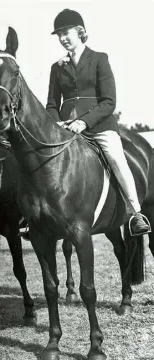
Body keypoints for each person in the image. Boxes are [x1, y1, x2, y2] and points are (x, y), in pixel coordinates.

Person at [46, 8, 149, 235]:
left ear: (80, 31)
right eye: (59, 34)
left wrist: (84, 122)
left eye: (66, 32)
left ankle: (136, 213)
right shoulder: (57, 67)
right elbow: (51, 104)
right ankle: (36, 217)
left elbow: (109, 102)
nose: (63, 38)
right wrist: (57, 124)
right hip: (66, 129)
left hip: (99, 126)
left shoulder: (99, 59)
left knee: (116, 157)